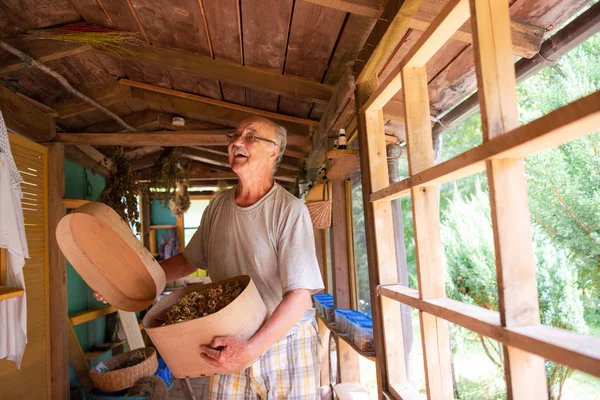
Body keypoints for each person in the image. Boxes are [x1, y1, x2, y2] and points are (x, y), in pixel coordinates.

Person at [95, 116, 324, 399]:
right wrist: (128, 281)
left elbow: (300, 296)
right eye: (235, 135)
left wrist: (253, 349)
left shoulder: (289, 211)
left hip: (283, 343)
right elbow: (188, 260)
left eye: (251, 136)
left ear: (273, 151)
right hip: (228, 342)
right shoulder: (218, 206)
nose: (237, 142)